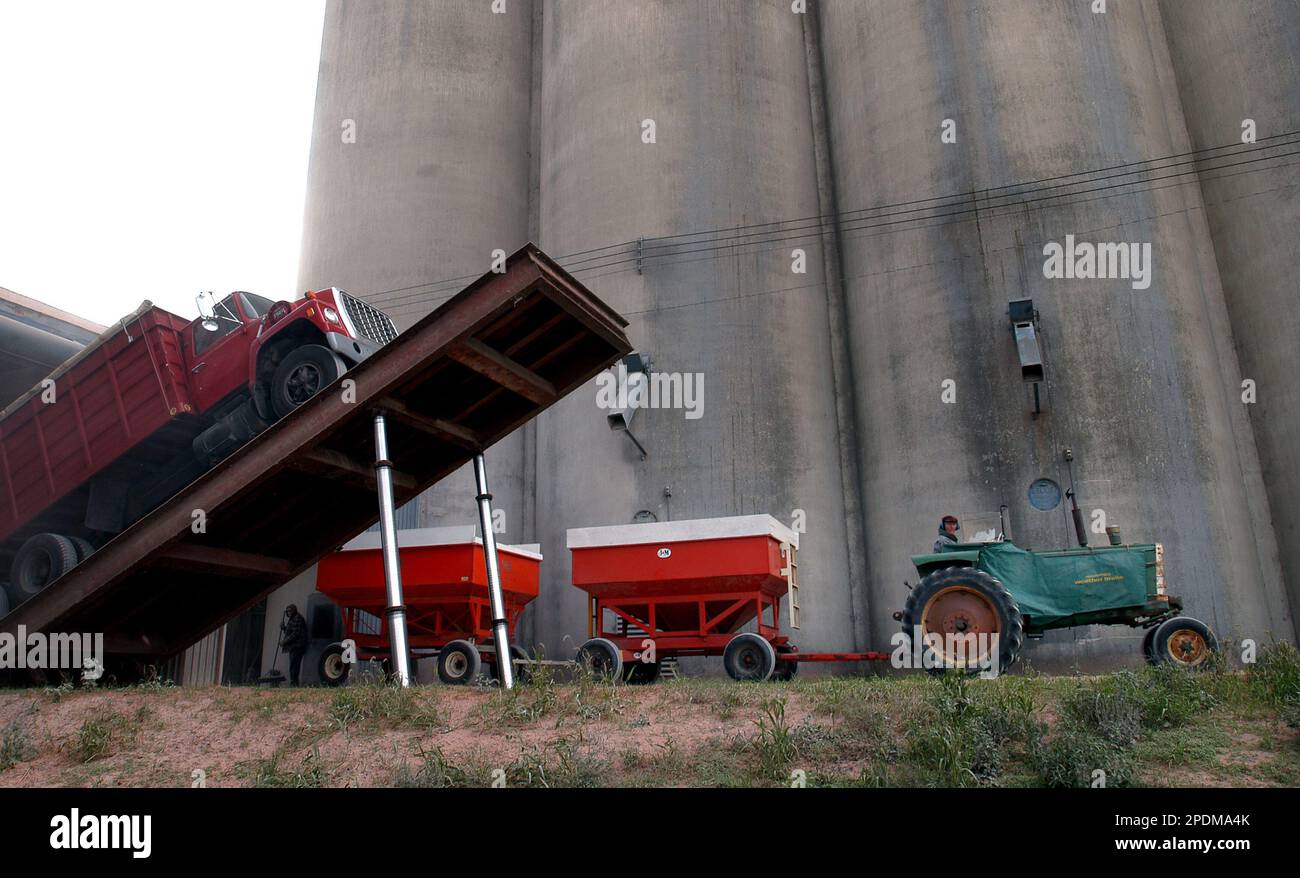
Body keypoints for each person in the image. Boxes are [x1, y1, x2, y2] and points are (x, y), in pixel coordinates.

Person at [281, 604, 309, 686]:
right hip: (294, 647)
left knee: (294, 666)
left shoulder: (297, 618)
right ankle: (293, 682)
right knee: (293, 665)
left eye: (290, 611)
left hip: (297, 646)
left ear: (294, 611)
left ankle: (294, 683)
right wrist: (284, 628)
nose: (288, 613)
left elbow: (296, 634)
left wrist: (284, 641)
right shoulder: (292, 619)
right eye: (287, 611)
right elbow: (291, 631)